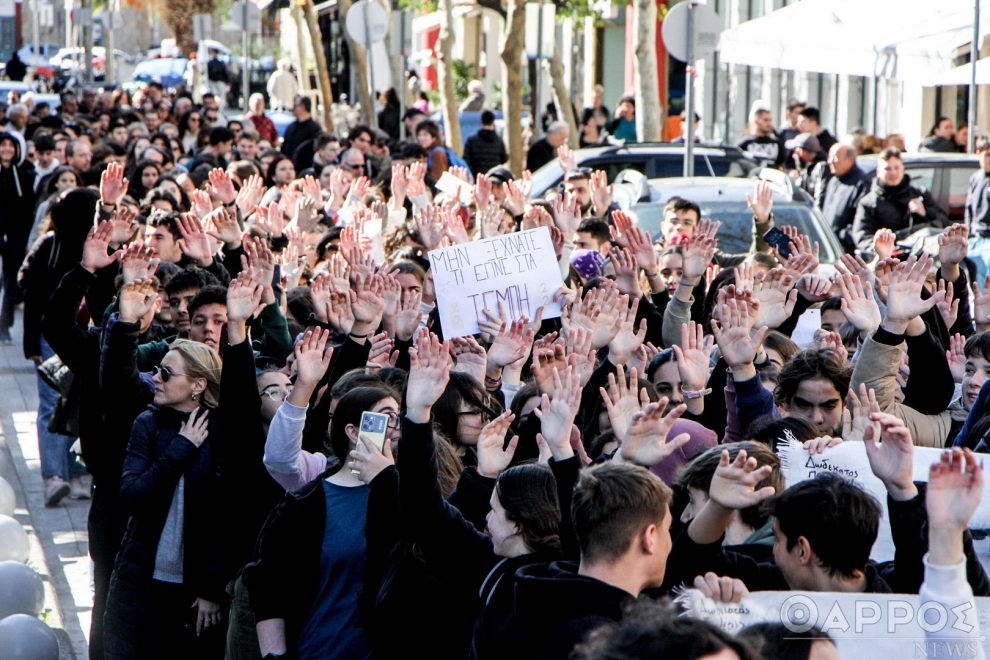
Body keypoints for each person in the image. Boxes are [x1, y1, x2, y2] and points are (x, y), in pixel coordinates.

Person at [103, 340, 227, 658]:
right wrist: (182, 447)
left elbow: (224, 520)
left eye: (167, 373)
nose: (156, 377)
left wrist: (211, 589)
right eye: (157, 370)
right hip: (143, 576)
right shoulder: (148, 424)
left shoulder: (221, 432)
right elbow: (131, 494)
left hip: (195, 586)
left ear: (198, 384)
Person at [852, 147, 949, 256]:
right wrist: (882, 249)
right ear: (879, 172)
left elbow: (944, 222)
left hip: (922, 260)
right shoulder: (869, 203)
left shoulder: (920, 194)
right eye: (887, 169)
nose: (893, 173)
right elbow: (862, 238)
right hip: (889, 262)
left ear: (903, 168)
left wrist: (925, 213)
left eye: (896, 168)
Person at [817, 142, 870, 252]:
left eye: (835, 157)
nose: (830, 161)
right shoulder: (833, 181)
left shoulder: (862, 184)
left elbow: (860, 222)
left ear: (850, 160)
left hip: (846, 251)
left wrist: (839, 237)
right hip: (828, 246)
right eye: (829, 157)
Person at [965, 136, 990, 282]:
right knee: (974, 283)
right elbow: (969, 208)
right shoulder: (975, 178)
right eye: (987, 155)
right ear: (978, 153)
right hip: (974, 237)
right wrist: (967, 234)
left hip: (988, 239)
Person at [463, 110, 507, 175]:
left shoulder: (471, 140)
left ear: (481, 122)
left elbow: (466, 159)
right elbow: (504, 159)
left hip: (477, 178)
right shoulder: (499, 141)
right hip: (495, 178)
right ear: (493, 122)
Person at [281, 97, 321, 162]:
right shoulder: (291, 127)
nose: (293, 108)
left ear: (303, 107)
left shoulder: (315, 129)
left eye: (295, 106)